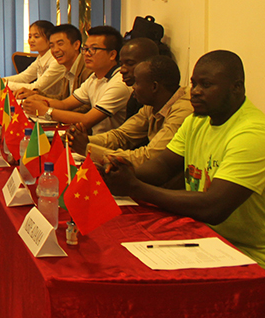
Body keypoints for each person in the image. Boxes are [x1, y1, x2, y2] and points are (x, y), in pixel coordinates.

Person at [104, 51, 265, 268]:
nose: (195, 92)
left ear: (236, 87)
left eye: (206, 85)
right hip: (201, 236)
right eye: (193, 84)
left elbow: (214, 207)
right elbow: (162, 167)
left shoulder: (252, 133)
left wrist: (135, 187)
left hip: (247, 255)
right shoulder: (196, 121)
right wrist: (118, 173)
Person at [69, 56, 192, 167]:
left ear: (154, 87)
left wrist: (88, 149)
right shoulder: (152, 104)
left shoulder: (182, 111)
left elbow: (149, 157)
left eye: (137, 83)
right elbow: (122, 136)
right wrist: (85, 140)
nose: (133, 87)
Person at [22, 25, 131, 135]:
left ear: (112, 54)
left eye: (93, 49)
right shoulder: (94, 78)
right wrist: (41, 100)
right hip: (92, 139)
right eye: (86, 49)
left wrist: (46, 111)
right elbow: (65, 104)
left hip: (105, 143)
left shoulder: (118, 83)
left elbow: (87, 120)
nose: (87, 54)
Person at [6, 20, 63, 94]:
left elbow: (36, 87)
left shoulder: (57, 60)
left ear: (50, 39)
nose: (31, 40)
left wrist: (4, 84)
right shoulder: (40, 58)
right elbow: (24, 77)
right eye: (30, 36)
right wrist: (1, 81)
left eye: (36, 37)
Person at [117, 37, 160, 120]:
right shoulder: (135, 98)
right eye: (121, 64)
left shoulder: (172, 105)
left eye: (130, 63)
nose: (122, 70)